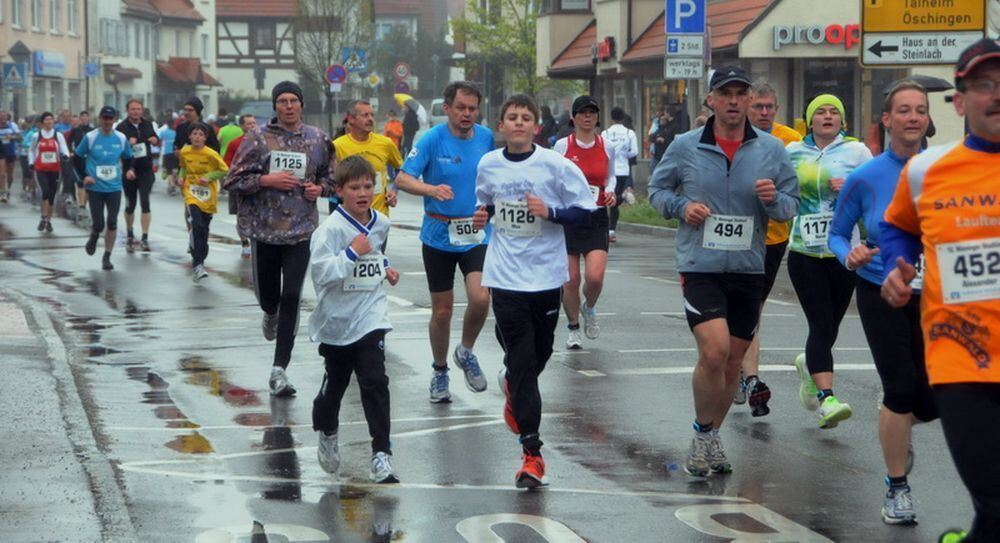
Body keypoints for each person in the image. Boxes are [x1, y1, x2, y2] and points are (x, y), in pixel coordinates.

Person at [648, 66, 799, 477]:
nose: (733, 101)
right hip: (701, 265)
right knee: (713, 350)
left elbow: (790, 205)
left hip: (749, 267)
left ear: (750, 100)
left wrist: (772, 201)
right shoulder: (684, 146)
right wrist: (682, 208)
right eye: (725, 93)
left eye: (740, 93)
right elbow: (656, 191)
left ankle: (712, 436)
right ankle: (701, 432)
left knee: (732, 361)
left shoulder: (771, 149)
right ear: (710, 100)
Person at [880, 39, 1000, 543]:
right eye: (984, 85)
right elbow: (897, 227)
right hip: (962, 360)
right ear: (960, 100)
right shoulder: (927, 170)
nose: (997, 95)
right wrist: (895, 266)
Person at [472, 94, 596, 489]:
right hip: (505, 277)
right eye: (513, 117)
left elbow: (586, 210)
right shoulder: (488, 164)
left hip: (546, 278)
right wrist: (483, 215)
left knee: (538, 355)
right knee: (525, 360)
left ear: (536, 126)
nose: (520, 123)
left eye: (527, 117)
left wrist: (552, 212)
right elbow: (489, 204)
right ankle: (532, 453)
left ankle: (511, 380)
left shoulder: (556, 166)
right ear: (502, 125)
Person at [827, 80, 936, 525]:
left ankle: (899, 423)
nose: (913, 117)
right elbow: (837, 233)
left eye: (921, 110)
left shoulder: (945, 170)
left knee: (932, 400)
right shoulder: (865, 176)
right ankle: (897, 487)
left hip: (939, 296)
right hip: (880, 291)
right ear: (887, 120)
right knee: (900, 388)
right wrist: (848, 255)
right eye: (904, 110)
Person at [225, 81, 333, 397]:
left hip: (301, 231)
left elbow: (330, 177)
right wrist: (266, 179)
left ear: (301, 105)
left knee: (292, 297)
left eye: (293, 100)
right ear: (275, 106)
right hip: (265, 231)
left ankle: (279, 370)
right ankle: (268, 313)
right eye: (282, 101)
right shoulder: (257, 139)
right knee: (270, 298)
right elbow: (234, 180)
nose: (288, 106)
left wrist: (320, 189)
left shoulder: (317, 139)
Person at [396, 81, 493, 403]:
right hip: (438, 234)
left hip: (475, 233)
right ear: (447, 109)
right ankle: (440, 371)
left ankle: (465, 351)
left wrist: (490, 209)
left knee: (480, 299)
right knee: (442, 311)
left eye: (472, 108)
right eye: (461, 108)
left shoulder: (486, 137)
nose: (467, 114)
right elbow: (402, 178)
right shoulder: (431, 139)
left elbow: (496, 176)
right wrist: (431, 189)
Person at [310, 155, 401, 484]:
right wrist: (351, 253)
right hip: (336, 320)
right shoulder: (329, 230)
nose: (363, 193)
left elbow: (375, 254)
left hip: (370, 314)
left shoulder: (381, 223)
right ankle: (328, 430)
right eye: (354, 187)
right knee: (335, 386)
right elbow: (321, 275)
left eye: (368, 186)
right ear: (339, 191)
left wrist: (385, 268)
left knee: (375, 380)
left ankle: (381, 454)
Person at [786, 94, 873, 429]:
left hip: (844, 253)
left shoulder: (858, 151)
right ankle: (827, 399)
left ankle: (810, 364)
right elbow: (781, 194)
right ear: (809, 120)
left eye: (833, 112)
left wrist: (850, 188)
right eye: (820, 112)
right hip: (804, 252)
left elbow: (874, 196)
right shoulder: (792, 153)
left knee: (831, 325)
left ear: (842, 120)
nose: (826, 117)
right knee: (821, 322)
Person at [733, 81, 804, 416]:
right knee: (738, 312)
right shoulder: (731, 135)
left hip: (773, 239)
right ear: (747, 105)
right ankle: (746, 374)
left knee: (752, 312)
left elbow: (803, 185)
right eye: (757, 106)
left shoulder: (790, 140)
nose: (763, 113)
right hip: (733, 237)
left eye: (769, 107)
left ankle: (746, 375)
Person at [552, 96, 618, 350]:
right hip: (570, 217)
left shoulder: (607, 145)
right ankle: (573, 328)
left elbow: (610, 176)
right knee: (570, 279)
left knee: (595, 276)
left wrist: (611, 191)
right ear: (574, 117)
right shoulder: (562, 146)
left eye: (592, 112)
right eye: (583, 113)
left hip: (597, 216)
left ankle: (588, 307)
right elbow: (553, 178)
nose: (588, 117)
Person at [74, 106, 136, 271]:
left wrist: (130, 170)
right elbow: (77, 157)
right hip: (95, 188)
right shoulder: (91, 137)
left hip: (114, 187)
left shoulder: (121, 138)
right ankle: (94, 235)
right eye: (105, 119)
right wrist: (84, 176)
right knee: (99, 223)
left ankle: (107, 256)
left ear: (114, 120)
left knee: (112, 223)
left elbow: (129, 158)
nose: (108, 122)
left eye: (110, 119)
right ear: (100, 119)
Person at [332, 100, 403, 218]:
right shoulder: (337, 146)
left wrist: (394, 191)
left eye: (372, 115)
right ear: (351, 119)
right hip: (350, 218)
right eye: (365, 115)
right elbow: (330, 178)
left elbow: (401, 169)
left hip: (379, 217)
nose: (370, 119)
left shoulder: (385, 143)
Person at [178, 122, 229, 282]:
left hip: (208, 194)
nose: (197, 137)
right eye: (194, 134)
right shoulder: (185, 151)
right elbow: (183, 167)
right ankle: (197, 264)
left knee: (204, 230)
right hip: (191, 191)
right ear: (190, 136)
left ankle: (200, 254)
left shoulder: (211, 154)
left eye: (201, 135)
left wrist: (208, 177)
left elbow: (224, 169)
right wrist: (181, 176)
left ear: (205, 138)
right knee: (197, 223)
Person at [116, 99, 160, 252]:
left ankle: (145, 237)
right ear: (127, 110)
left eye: (138, 109)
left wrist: (155, 140)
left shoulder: (148, 124)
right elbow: (117, 148)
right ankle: (129, 233)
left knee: (145, 201)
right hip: (129, 170)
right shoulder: (121, 127)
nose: (136, 112)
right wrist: (128, 143)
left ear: (142, 110)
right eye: (133, 109)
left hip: (145, 169)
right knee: (130, 204)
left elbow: (155, 140)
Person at [27, 112, 71, 233]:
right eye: (46, 120)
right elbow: (31, 151)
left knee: (52, 196)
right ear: (42, 122)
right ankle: (43, 217)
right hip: (40, 168)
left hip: (55, 169)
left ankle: (49, 221)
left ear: (53, 122)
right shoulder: (37, 136)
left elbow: (64, 148)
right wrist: (31, 163)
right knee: (44, 192)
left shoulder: (58, 135)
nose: (49, 122)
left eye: (51, 119)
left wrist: (66, 156)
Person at [223, 114, 258, 259]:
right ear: (242, 126)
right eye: (249, 124)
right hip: (239, 184)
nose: (252, 126)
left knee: (257, 214)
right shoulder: (235, 143)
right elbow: (227, 163)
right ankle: (245, 243)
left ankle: (257, 242)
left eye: (254, 123)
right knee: (240, 214)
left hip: (257, 184)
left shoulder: (263, 142)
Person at [602, 106, 639, 243]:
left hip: (609, 170)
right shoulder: (629, 133)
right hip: (623, 170)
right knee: (615, 203)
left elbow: (602, 150)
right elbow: (634, 152)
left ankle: (609, 231)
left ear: (611, 118)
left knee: (609, 201)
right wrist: (624, 155)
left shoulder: (605, 133)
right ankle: (611, 230)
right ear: (623, 117)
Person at [66, 111, 93, 218]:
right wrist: (70, 151)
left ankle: (84, 205)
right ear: (80, 118)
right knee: (80, 182)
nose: (85, 118)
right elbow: (68, 142)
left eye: (87, 116)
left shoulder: (92, 131)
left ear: (89, 118)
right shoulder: (76, 130)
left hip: (90, 159)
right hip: (78, 159)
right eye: (83, 116)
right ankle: (81, 206)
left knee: (88, 184)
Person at [0, 110, 21, 203]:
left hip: (10, 151)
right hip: (1, 151)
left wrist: (12, 137)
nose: (3, 118)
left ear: (7, 117)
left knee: (10, 174)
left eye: (4, 116)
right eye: (1, 116)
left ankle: (8, 188)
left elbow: (20, 137)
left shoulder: (13, 125)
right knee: (2, 173)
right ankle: (2, 192)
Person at [158, 113, 179, 196]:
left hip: (166, 153)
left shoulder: (164, 132)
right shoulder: (176, 132)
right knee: (174, 170)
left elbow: (158, 139)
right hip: (175, 153)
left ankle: (172, 185)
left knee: (169, 171)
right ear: (173, 123)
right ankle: (171, 185)